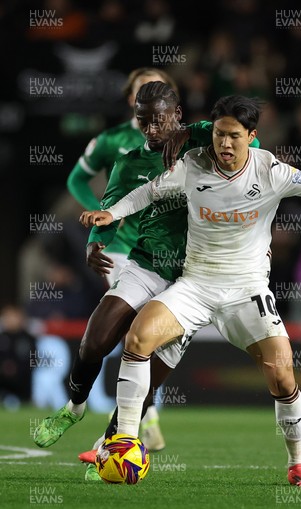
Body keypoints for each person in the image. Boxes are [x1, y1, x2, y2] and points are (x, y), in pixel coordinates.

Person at [80, 95, 301, 488]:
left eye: (234, 137)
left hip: (247, 289)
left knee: (281, 372)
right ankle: (122, 440)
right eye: (220, 135)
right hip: (196, 285)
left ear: (251, 136)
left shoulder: (269, 170)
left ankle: (298, 464)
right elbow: (149, 192)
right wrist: (112, 213)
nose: (224, 145)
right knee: (139, 336)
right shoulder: (193, 165)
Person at [33, 83, 261, 482]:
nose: (153, 128)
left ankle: (109, 450)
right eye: (144, 120)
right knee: (95, 340)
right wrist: (95, 243)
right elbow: (110, 210)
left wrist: (190, 131)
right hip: (147, 264)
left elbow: (238, 135)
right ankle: (74, 407)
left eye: (161, 119)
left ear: (177, 113)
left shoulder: (207, 146)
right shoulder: (129, 162)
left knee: (146, 377)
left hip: (193, 281)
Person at [66, 67, 179, 452]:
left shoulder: (198, 144)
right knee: (117, 334)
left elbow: (248, 153)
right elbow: (82, 184)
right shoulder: (116, 145)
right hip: (127, 253)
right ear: (131, 98)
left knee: (141, 337)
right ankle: (129, 423)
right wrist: (101, 216)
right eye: (139, 93)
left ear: (174, 106)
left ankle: (135, 421)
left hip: (192, 271)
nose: (151, 123)